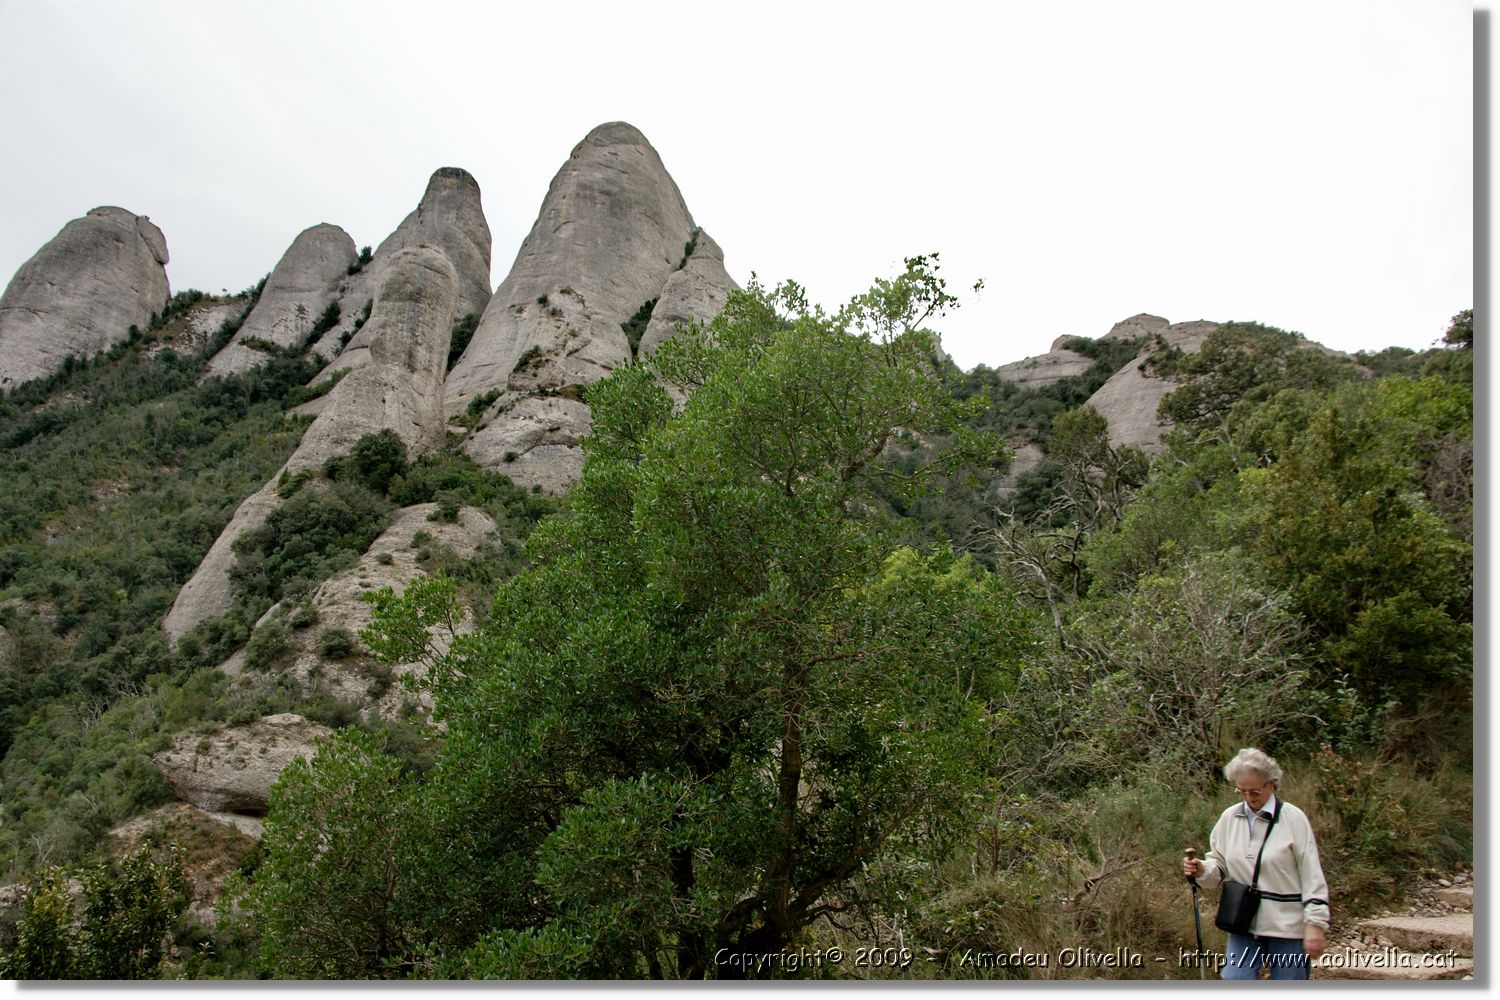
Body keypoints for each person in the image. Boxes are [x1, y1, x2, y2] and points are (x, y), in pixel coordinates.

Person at [1183, 748, 1330, 980]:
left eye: (1255, 790)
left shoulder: (1293, 819)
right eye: (1241, 790)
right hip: (1243, 923)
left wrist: (1316, 923)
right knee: (1234, 979)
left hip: (1287, 927)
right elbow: (1218, 866)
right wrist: (1202, 869)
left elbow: (1311, 875)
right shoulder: (1229, 818)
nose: (1249, 797)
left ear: (1272, 784)